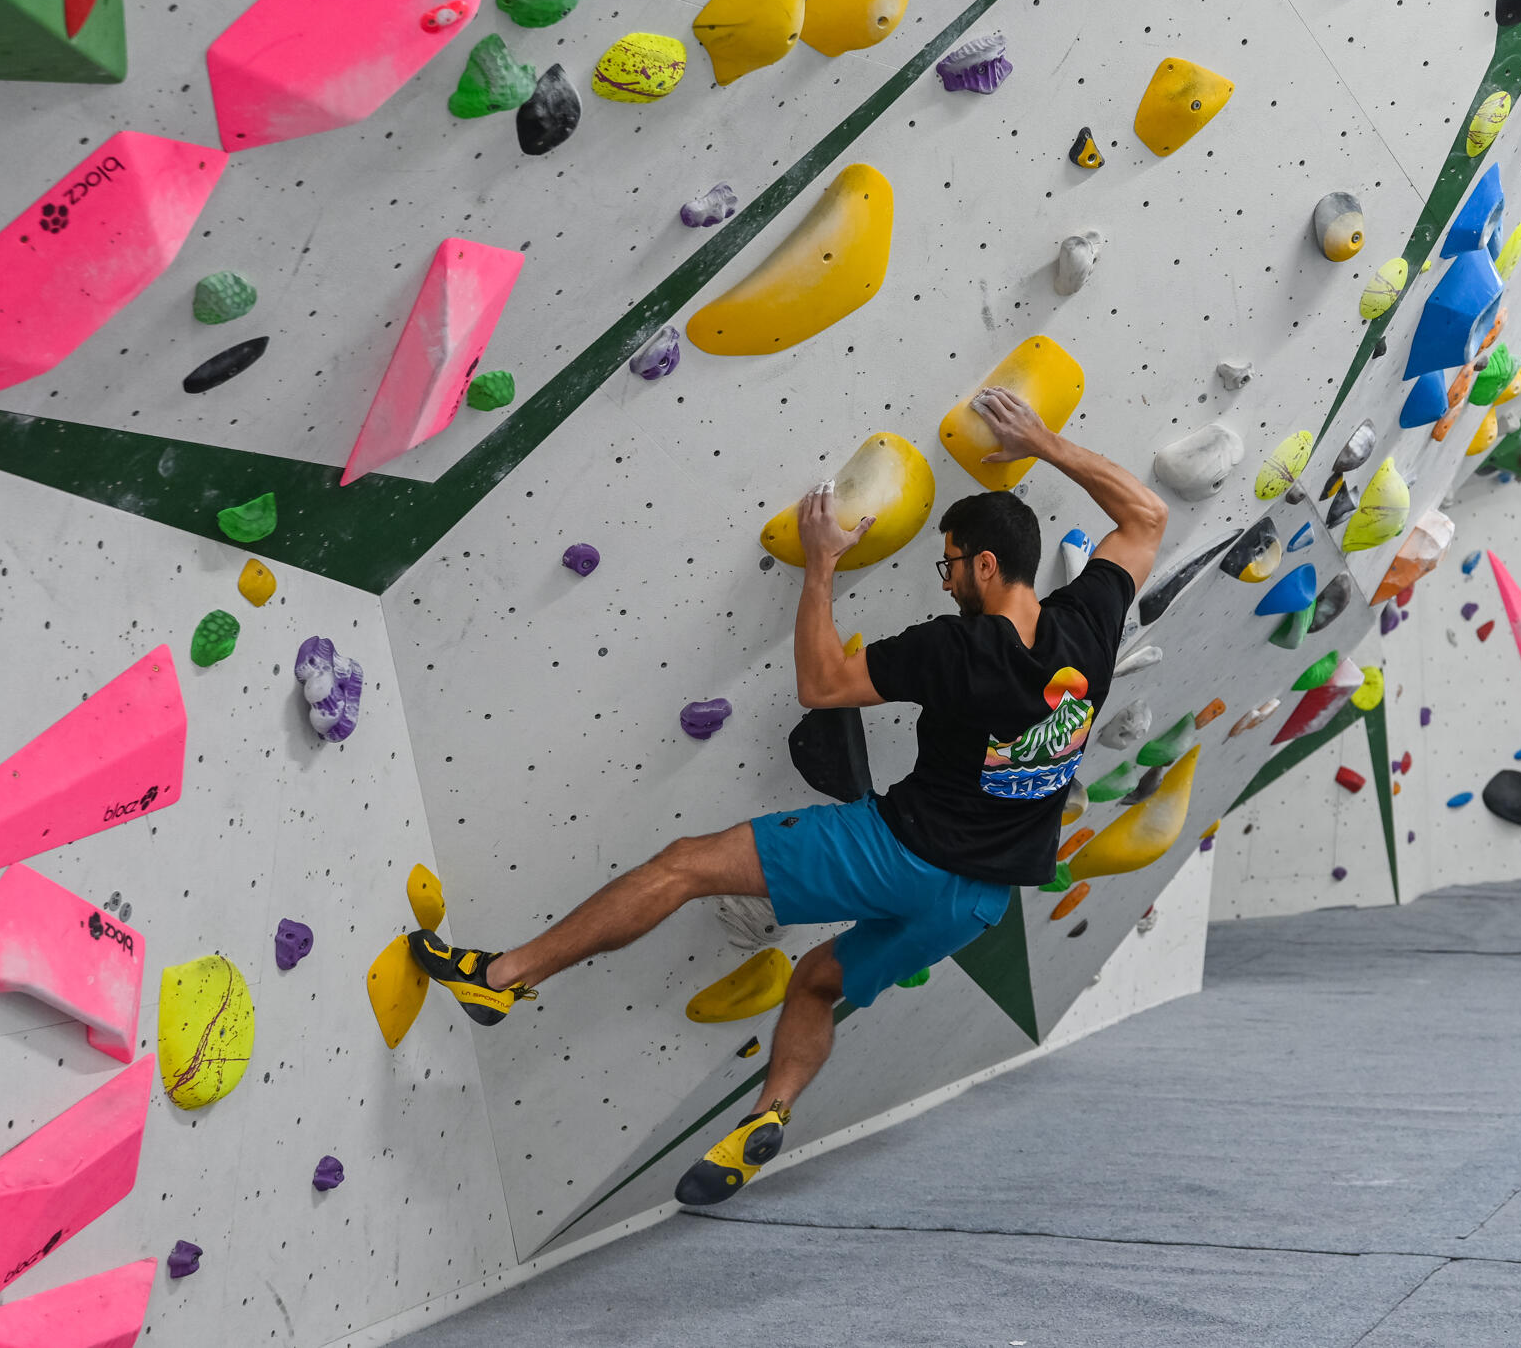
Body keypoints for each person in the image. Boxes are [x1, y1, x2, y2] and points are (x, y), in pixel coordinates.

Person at [407, 386, 1167, 1202]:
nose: (944, 579)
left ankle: (505, 974)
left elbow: (820, 682)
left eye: (947, 562)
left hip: (900, 853)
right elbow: (1146, 516)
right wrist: (1047, 442)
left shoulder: (954, 647)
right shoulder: (1088, 625)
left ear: (984, 564)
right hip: (978, 901)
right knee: (815, 981)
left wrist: (822, 566)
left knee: (683, 866)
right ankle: (766, 1117)